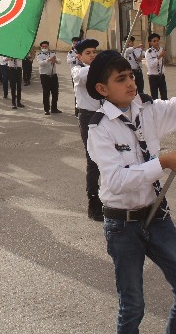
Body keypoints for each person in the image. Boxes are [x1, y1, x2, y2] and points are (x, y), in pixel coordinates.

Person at [85, 50, 176, 334]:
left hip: (157, 215)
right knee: (132, 305)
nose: (131, 83)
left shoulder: (146, 109)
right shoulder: (99, 129)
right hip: (123, 224)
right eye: (121, 79)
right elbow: (117, 180)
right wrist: (163, 163)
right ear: (102, 89)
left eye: (132, 75)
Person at [72, 38, 103, 221]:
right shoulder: (78, 70)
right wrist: (103, 64)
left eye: (94, 52)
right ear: (79, 56)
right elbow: (84, 76)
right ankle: (93, 203)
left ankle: (109, 199)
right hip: (88, 117)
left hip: (104, 116)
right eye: (88, 53)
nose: (92, 55)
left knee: (108, 158)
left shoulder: (99, 69)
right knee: (93, 161)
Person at [36, 41, 62, 115]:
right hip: (45, 76)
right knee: (46, 93)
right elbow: (41, 63)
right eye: (43, 47)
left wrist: (55, 60)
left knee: (55, 93)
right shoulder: (39, 55)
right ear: (41, 47)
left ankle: (54, 108)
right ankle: (46, 109)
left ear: (48, 47)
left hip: (53, 75)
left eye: (46, 46)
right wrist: (49, 60)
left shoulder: (52, 53)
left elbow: (60, 62)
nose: (44, 48)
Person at [145, 33, 168, 100]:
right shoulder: (148, 52)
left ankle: (165, 109)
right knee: (154, 96)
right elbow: (150, 65)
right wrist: (159, 57)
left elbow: (162, 63)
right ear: (150, 42)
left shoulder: (161, 49)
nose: (156, 42)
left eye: (157, 40)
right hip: (153, 76)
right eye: (154, 41)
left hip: (161, 75)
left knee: (164, 95)